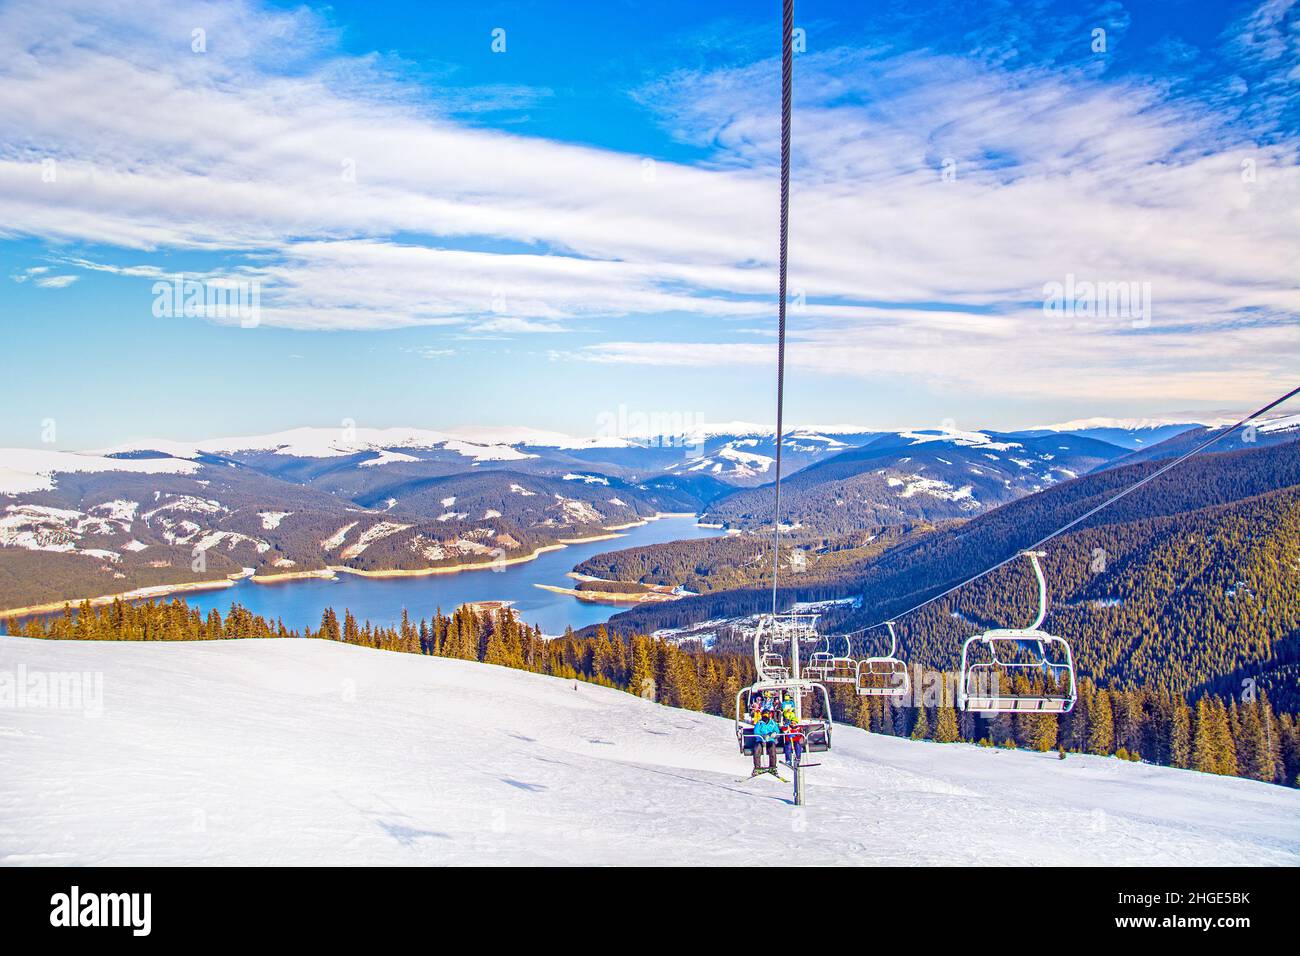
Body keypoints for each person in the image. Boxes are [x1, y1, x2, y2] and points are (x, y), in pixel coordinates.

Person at [751, 709, 780, 774]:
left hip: (770, 740)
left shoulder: (772, 723)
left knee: (772, 750)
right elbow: (756, 732)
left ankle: (772, 768)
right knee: (756, 750)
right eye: (764, 715)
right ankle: (757, 768)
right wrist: (762, 737)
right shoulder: (759, 723)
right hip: (760, 740)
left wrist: (774, 733)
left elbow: (777, 730)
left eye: (767, 715)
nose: (765, 716)